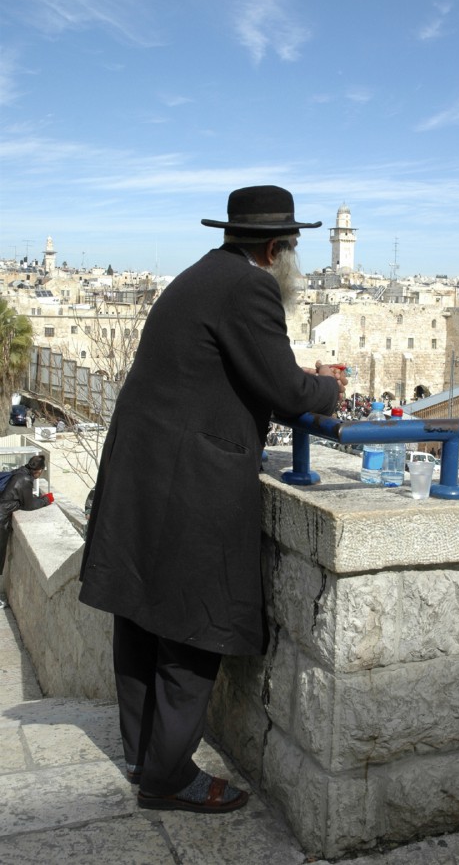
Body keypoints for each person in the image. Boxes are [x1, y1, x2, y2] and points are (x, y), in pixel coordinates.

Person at [79, 185, 347, 814]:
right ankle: (169, 778)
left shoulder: (200, 274)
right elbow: (283, 387)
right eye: (294, 249)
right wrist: (330, 391)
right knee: (191, 626)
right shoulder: (249, 288)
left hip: (144, 474)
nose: (295, 264)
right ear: (277, 248)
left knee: (143, 616)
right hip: (189, 483)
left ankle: (143, 754)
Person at [0, 455, 54, 603]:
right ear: (39, 471)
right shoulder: (25, 479)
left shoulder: (19, 472)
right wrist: (46, 499)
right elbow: (28, 505)